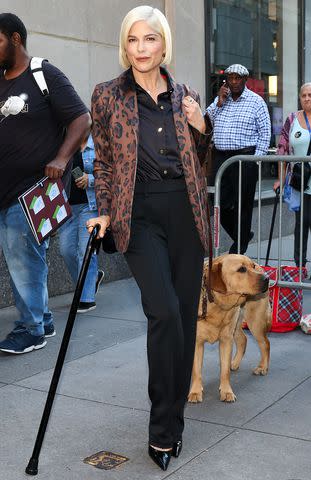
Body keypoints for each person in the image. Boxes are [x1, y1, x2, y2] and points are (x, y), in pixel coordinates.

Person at [87, 5, 212, 472]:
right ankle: (161, 431)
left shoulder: (187, 95)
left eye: (150, 39)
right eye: (134, 40)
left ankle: (173, 421)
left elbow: (202, 160)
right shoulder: (107, 96)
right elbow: (100, 160)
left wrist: (203, 128)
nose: (141, 48)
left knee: (182, 320)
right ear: (126, 45)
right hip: (136, 214)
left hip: (185, 212)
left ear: (164, 45)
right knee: (162, 313)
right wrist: (103, 209)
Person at [0, 13, 91, 354]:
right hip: (5, 191)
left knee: (24, 259)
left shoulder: (44, 74)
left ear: (16, 39)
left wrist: (62, 159)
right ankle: (44, 320)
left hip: (33, 190)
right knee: (24, 258)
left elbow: (81, 119)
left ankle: (31, 329)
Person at [207, 64, 271, 254]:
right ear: (226, 80)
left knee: (243, 204)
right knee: (216, 200)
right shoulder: (221, 99)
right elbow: (205, 120)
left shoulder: (256, 102)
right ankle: (243, 235)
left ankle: (239, 248)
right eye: (230, 78)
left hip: (244, 158)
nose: (234, 82)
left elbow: (265, 133)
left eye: (238, 78)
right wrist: (219, 102)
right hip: (221, 157)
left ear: (245, 80)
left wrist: (255, 161)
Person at [58, 134, 104, 313]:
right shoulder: (65, 144)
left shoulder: (98, 145)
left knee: (86, 251)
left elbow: (110, 174)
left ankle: (86, 298)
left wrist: (90, 179)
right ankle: (91, 279)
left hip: (89, 206)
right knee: (66, 250)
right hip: (67, 207)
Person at [274, 83, 311, 267]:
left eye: (310, 95)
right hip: (300, 181)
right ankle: (300, 267)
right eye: (303, 95)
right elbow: (282, 150)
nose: (307, 98)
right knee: (301, 225)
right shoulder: (292, 119)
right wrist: (281, 178)